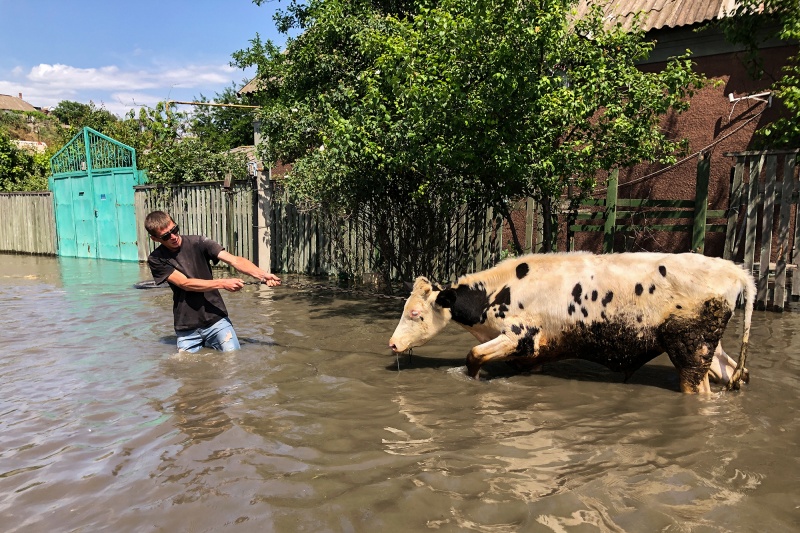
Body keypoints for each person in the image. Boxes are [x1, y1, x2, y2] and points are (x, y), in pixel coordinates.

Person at [145, 210, 280, 353]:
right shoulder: (156, 259)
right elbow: (185, 283)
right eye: (166, 236)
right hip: (186, 326)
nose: (173, 236)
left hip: (216, 318)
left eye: (174, 229)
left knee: (234, 361)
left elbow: (234, 260)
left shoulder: (198, 242)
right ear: (155, 239)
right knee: (185, 371)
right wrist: (222, 283)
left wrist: (263, 275)